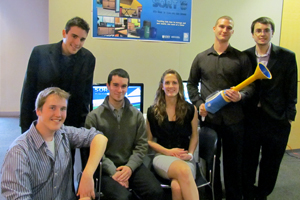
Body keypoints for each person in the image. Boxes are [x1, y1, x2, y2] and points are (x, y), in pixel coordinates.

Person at [187, 16, 254, 200]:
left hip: (235, 121)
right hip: (210, 120)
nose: (224, 30)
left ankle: (233, 196)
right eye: (222, 26)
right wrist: (199, 104)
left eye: (229, 28)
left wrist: (241, 95)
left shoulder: (241, 58)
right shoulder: (201, 58)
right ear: (214, 28)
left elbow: (251, 87)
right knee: (211, 164)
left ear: (232, 32)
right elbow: (191, 84)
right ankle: (212, 195)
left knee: (234, 164)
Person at [1, 87, 108, 200]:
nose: (58, 114)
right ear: (38, 110)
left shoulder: (63, 133)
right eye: (52, 108)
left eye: (63, 109)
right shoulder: (18, 152)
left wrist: (87, 174)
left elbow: (100, 138)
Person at [85, 68, 164, 200]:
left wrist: (129, 168)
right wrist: (114, 172)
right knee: (122, 198)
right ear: (108, 86)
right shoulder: (93, 117)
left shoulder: (137, 116)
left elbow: (141, 146)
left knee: (155, 191)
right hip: (105, 169)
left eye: (124, 86)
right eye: (115, 85)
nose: (119, 90)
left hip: (131, 166)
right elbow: (92, 152)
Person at [242, 17, 298, 200]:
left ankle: (263, 194)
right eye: (258, 30)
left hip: (277, 120)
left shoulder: (287, 57)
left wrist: (289, 116)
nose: (262, 34)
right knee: (248, 161)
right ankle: (249, 193)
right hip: (250, 119)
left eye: (266, 30)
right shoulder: (245, 56)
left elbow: (291, 88)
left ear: (272, 33)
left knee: (271, 163)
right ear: (252, 34)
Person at [20, 16, 95, 133]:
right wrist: (25, 127)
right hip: (42, 121)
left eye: (82, 39)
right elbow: (28, 92)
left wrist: (83, 127)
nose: (77, 43)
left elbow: (86, 96)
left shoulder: (88, 59)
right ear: (64, 33)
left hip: (71, 124)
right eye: (74, 36)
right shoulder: (40, 53)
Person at [147, 69, 199, 200]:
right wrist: (168, 152)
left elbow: (194, 135)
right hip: (163, 156)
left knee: (177, 186)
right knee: (183, 171)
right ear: (162, 86)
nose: (171, 86)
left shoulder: (190, 109)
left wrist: (191, 154)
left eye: (174, 83)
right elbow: (149, 141)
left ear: (180, 86)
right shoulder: (152, 111)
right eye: (167, 83)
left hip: (185, 156)